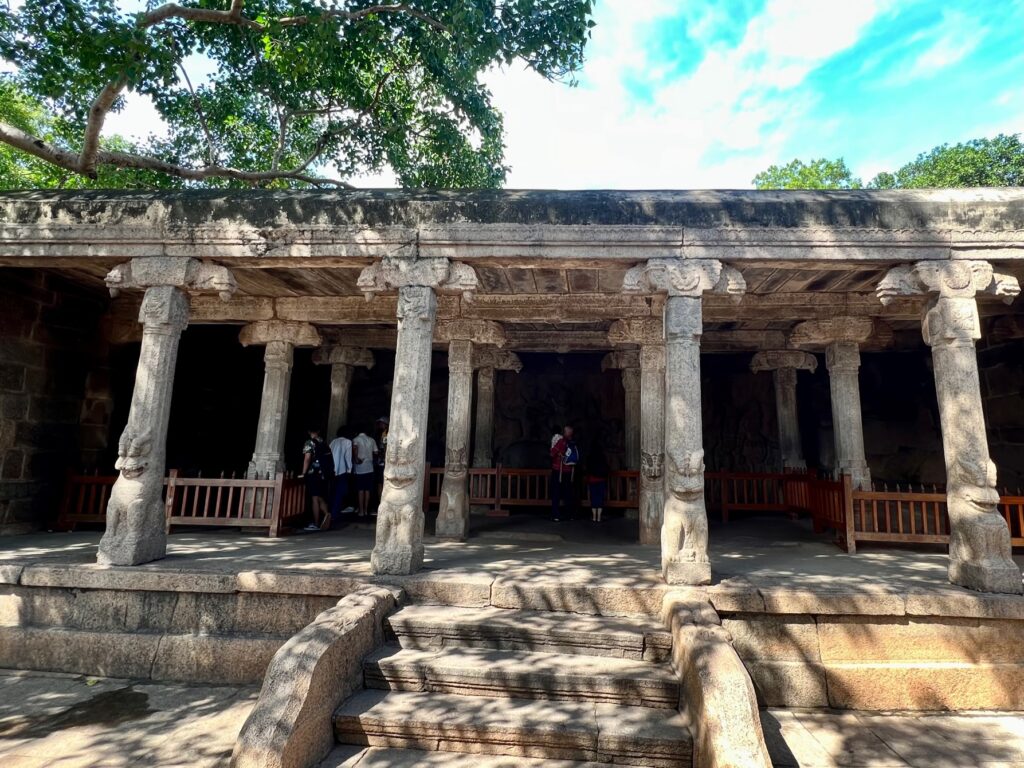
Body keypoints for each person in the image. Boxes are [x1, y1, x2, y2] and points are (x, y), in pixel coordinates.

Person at [301, 427, 334, 531]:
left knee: (315, 498)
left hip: (313, 473)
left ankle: (316, 522)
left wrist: (303, 472)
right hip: (323, 473)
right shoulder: (323, 442)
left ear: (309, 431)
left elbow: (307, 458)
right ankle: (327, 513)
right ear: (319, 431)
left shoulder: (309, 442)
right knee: (319, 495)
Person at [549, 425, 580, 522]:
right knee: (569, 493)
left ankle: (556, 515)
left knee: (556, 493)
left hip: (559, 470)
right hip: (570, 471)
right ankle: (569, 514)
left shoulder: (561, 441)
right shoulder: (574, 443)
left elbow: (552, 453)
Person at [352, 426, 378, 518]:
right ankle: (366, 510)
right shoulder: (372, 440)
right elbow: (376, 452)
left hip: (360, 468)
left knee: (360, 490)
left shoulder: (356, 439)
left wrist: (356, 459)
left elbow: (355, 449)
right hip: (370, 467)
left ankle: (361, 511)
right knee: (367, 490)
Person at [329, 426, 354, 520]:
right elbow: (348, 457)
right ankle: (335, 513)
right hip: (342, 470)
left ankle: (331, 512)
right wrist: (349, 469)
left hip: (332, 470)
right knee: (340, 492)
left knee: (332, 491)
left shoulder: (333, 442)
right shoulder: (348, 442)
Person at [586, 445, 609, 523]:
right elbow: (606, 468)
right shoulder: (603, 457)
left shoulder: (590, 457)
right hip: (601, 480)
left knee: (594, 498)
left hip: (592, 480)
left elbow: (587, 468)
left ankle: (594, 517)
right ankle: (599, 517)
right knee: (600, 498)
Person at [374, 416, 389, 500]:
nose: (379, 425)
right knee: (380, 482)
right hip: (380, 462)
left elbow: (385, 447)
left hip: (384, 462)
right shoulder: (381, 434)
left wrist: (383, 455)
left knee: (382, 482)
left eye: (381, 423)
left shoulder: (386, 434)